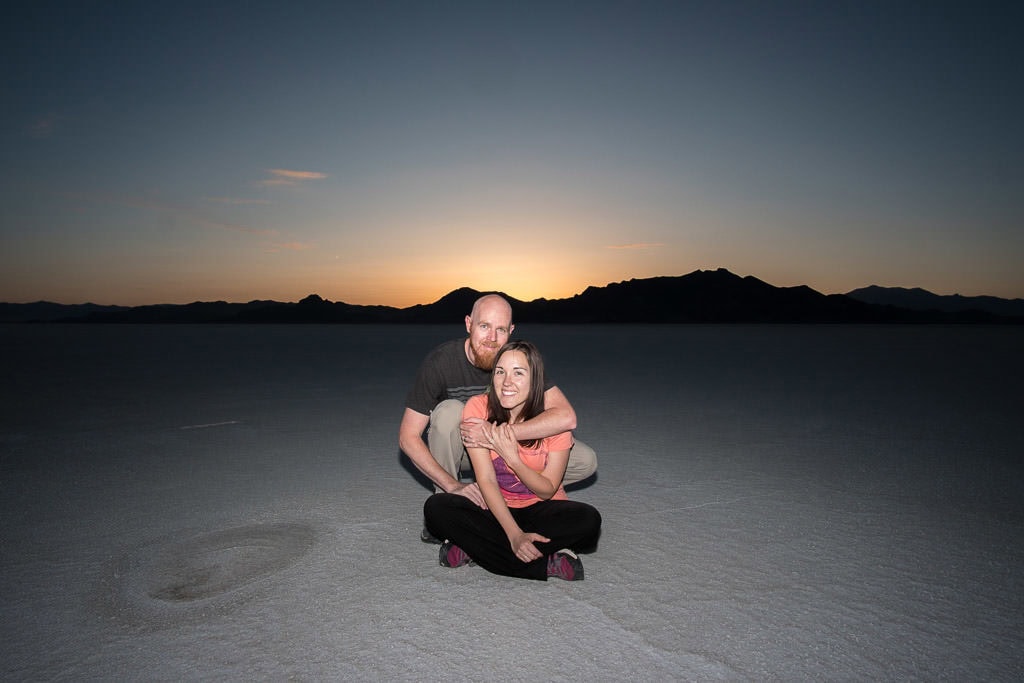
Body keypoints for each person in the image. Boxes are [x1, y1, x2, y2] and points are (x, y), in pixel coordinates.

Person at [399, 294, 597, 541]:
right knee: (450, 412)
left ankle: (514, 494)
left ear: (511, 331)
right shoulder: (441, 362)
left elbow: (566, 417)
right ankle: (448, 506)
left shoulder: (517, 361)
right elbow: (408, 438)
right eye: (484, 326)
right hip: (461, 451)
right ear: (469, 324)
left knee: (586, 460)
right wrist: (451, 485)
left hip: (506, 449)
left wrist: (497, 436)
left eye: (500, 329)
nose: (492, 338)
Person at [423, 340, 601, 580]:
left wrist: (512, 458)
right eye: (500, 372)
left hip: (540, 506)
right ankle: (545, 562)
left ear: (534, 380)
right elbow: (486, 480)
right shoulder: (478, 408)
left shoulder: (552, 422)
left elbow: (547, 490)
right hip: (494, 506)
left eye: (518, 373)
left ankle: (475, 548)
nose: (507, 382)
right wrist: (514, 534)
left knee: (589, 521)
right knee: (436, 508)